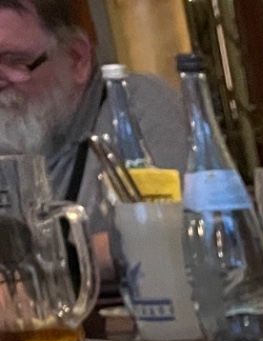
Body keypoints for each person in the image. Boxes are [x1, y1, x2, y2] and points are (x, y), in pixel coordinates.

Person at [0, 0, 187, 260]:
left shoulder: (135, 108)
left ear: (76, 58)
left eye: (13, 61)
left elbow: (173, 234)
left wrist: (53, 268)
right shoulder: (13, 134)